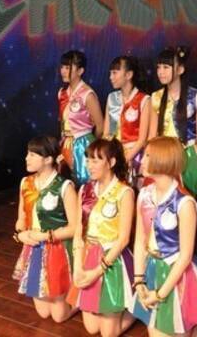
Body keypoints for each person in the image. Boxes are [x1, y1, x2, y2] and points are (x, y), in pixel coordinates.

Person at [131, 137, 197, 336]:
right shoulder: (144, 194)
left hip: (178, 275)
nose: (142, 160)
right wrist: (139, 279)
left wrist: (160, 294)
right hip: (152, 268)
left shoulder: (184, 203)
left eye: (148, 156)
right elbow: (140, 240)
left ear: (164, 159)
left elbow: (185, 256)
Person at [66, 138, 136, 336]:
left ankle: (137, 309)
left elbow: (123, 239)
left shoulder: (124, 192)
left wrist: (97, 271)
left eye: (96, 160)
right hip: (88, 255)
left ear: (111, 162)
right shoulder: (84, 190)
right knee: (92, 328)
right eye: (88, 160)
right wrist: (78, 267)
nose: (89, 165)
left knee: (108, 334)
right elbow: (79, 232)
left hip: (112, 260)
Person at [12, 135, 78, 322]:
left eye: (32, 155)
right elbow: (21, 220)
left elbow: (74, 228)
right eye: (27, 154)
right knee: (43, 313)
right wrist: (20, 235)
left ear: (48, 159)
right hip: (33, 248)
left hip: (57, 249)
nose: (26, 158)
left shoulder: (64, 186)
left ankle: (79, 301)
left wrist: (46, 236)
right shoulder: (25, 183)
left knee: (58, 316)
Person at [148, 46, 197, 199]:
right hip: (164, 158)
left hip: (188, 157)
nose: (161, 72)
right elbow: (152, 137)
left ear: (180, 70)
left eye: (166, 67)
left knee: (187, 201)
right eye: (159, 67)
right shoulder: (155, 97)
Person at [103, 55, 150, 188]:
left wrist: (125, 159)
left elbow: (142, 139)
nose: (111, 77)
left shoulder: (144, 100)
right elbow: (106, 133)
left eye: (115, 73)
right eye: (110, 73)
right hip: (113, 154)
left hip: (135, 155)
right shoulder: (111, 98)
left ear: (129, 74)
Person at [58, 50, 104, 185]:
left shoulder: (87, 94)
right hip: (65, 143)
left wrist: (90, 144)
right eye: (62, 67)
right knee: (67, 183)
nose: (63, 71)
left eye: (68, 68)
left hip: (83, 144)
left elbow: (100, 126)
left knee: (85, 182)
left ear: (80, 71)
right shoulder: (62, 93)